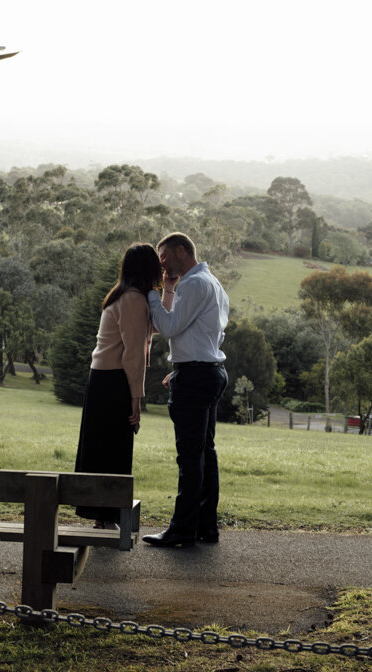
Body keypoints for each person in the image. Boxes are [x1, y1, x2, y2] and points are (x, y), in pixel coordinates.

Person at [143, 232, 229, 548]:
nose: (162, 265)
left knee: (191, 458)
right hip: (210, 372)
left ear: (182, 252)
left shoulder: (193, 284)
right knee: (206, 453)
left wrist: (154, 292)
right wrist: (183, 364)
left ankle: (182, 530)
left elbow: (168, 327)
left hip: (196, 377)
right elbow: (213, 337)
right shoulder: (214, 284)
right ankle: (206, 526)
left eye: (164, 258)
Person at [75, 242, 162, 529]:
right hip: (115, 381)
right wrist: (136, 398)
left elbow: (160, 325)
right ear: (148, 269)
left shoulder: (123, 295)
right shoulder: (134, 299)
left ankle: (102, 517)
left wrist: (168, 290)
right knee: (114, 451)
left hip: (102, 379)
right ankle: (107, 518)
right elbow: (133, 353)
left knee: (99, 449)